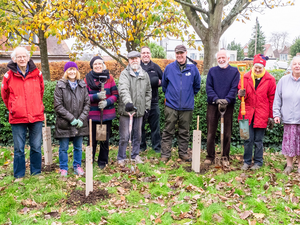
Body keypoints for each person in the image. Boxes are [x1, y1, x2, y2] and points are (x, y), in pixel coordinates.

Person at [1, 46, 44, 178]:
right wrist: (14, 108)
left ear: (28, 58)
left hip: (36, 116)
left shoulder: (38, 74)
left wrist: (35, 105)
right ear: (14, 59)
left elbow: (41, 92)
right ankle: (19, 175)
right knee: (19, 148)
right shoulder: (8, 76)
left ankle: (36, 173)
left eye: (24, 56)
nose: (22, 59)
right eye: (19, 57)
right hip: (17, 117)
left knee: (36, 146)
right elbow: (5, 95)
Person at [160, 45, 201, 162]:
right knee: (168, 130)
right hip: (171, 106)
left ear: (186, 53)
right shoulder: (169, 68)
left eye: (181, 53)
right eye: (177, 53)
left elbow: (197, 87)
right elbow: (164, 86)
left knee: (184, 131)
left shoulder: (193, 69)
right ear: (175, 54)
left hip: (187, 106)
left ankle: (183, 153)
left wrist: (187, 96)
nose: (179, 55)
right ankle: (165, 155)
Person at [238, 54, 276, 170]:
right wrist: (240, 95)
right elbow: (241, 95)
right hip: (246, 113)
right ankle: (247, 161)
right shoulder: (245, 77)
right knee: (246, 138)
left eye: (260, 67)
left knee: (258, 140)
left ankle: (258, 162)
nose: (258, 69)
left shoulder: (270, 80)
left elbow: (272, 98)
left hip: (262, 114)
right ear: (253, 66)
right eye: (256, 67)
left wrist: (271, 116)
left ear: (264, 67)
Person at [54, 62, 90, 176]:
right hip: (64, 123)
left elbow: (87, 104)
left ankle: (77, 166)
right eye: (69, 70)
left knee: (78, 147)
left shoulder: (82, 86)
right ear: (66, 72)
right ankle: (63, 168)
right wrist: (71, 118)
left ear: (77, 71)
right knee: (63, 148)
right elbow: (58, 105)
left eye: (74, 69)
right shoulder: (60, 86)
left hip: (80, 124)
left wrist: (81, 118)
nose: (72, 72)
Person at [204, 50, 240, 165]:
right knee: (211, 132)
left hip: (228, 106)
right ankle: (210, 156)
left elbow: (234, 88)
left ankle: (225, 156)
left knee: (227, 132)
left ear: (228, 58)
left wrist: (227, 100)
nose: (221, 60)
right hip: (213, 105)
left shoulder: (234, 71)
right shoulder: (212, 71)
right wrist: (216, 99)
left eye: (223, 57)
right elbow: (209, 87)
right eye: (219, 58)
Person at [117, 51, 152, 166]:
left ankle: (135, 155)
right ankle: (121, 157)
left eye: (136, 58)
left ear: (139, 59)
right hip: (127, 110)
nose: (134, 60)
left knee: (138, 135)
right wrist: (128, 102)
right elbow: (123, 89)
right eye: (131, 59)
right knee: (125, 136)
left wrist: (147, 107)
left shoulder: (144, 74)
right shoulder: (125, 74)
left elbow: (148, 92)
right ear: (128, 61)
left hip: (139, 110)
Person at [85, 56, 118, 169]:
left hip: (106, 115)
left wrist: (107, 102)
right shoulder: (87, 79)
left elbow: (115, 94)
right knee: (92, 140)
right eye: (95, 64)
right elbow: (84, 96)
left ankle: (102, 162)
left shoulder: (109, 78)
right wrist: (95, 96)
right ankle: (90, 160)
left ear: (103, 65)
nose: (98, 66)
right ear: (92, 66)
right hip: (92, 115)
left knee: (104, 139)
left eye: (100, 64)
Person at [273, 56, 300, 175]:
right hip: (288, 119)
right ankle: (289, 165)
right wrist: (276, 114)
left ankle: (299, 166)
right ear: (291, 66)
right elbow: (277, 99)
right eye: (295, 64)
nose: (297, 66)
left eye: (299, 64)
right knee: (289, 143)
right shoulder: (283, 81)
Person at [140, 46, 163, 153]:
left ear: (150, 54)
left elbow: (164, 81)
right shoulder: (136, 67)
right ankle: (141, 147)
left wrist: (158, 83)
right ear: (141, 55)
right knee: (140, 127)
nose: (146, 55)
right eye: (143, 53)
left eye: (147, 53)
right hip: (140, 103)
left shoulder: (156, 67)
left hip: (153, 102)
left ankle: (157, 148)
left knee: (155, 127)